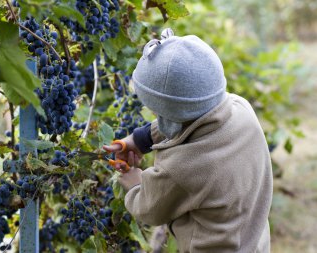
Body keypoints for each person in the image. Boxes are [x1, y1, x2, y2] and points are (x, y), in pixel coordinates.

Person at [103, 28, 273, 253]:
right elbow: (195, 121)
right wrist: (141, 139)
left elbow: (149, 208)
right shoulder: (241, 109)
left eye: (157, 113)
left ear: (169, 120)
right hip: (254, 241)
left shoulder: (182, 169)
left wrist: (134, 183)